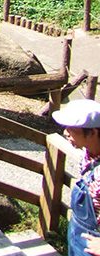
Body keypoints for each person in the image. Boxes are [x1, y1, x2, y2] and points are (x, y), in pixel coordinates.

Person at [53, 99, 100, 256]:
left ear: (93, 132)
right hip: (77, 233)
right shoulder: (89, 153)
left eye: (72, 128)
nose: (65, 132)